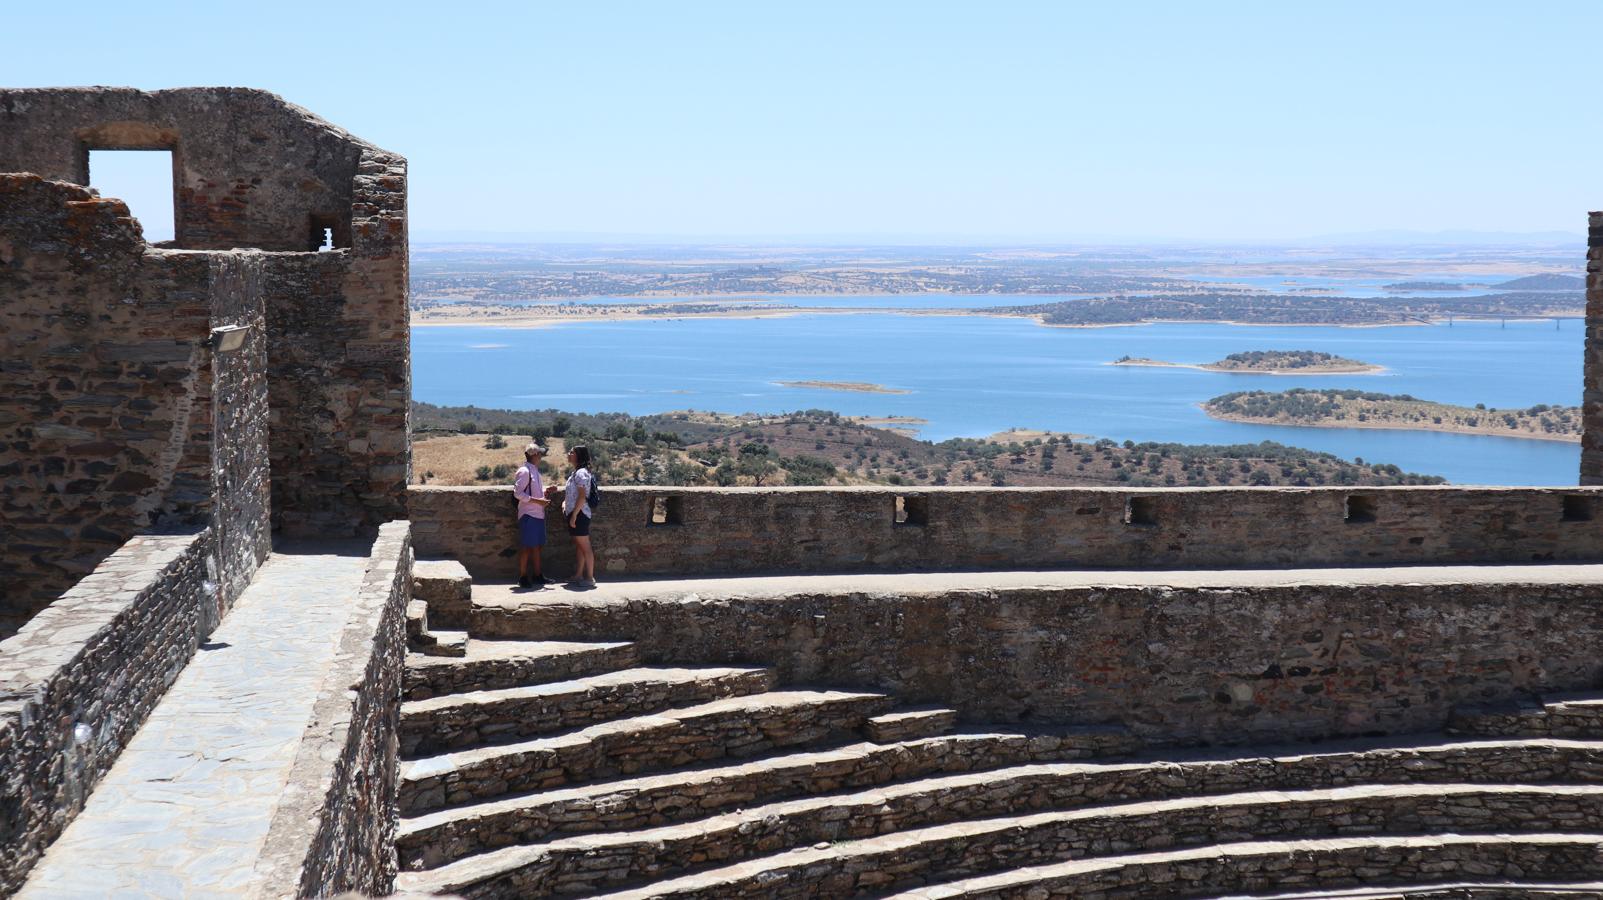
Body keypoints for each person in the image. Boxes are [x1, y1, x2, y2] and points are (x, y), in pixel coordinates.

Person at [512, 443, 551, 588]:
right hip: (529, 514)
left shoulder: (534, 471)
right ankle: (523, 576)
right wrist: (537, 501)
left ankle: (537, 575)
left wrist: (546, 491)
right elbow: (517, 493)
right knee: (527, 546)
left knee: (536, 546)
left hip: (537, 514)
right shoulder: (524, 471)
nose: (541, 456)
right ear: (534, 455)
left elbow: (534, 491)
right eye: (539, 454)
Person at [562, 445, 597, 587]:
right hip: (576, 513)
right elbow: (574, 494)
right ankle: (578, 575)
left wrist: (574, 515)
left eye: (572, 452)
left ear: (578, 456)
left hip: (580, 514)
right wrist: (565, 504)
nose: (568, 454)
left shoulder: (581, 473)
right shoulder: (576, 472)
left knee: (585, 546)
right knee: (580, 546)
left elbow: (582, 497)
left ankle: (590, 578)